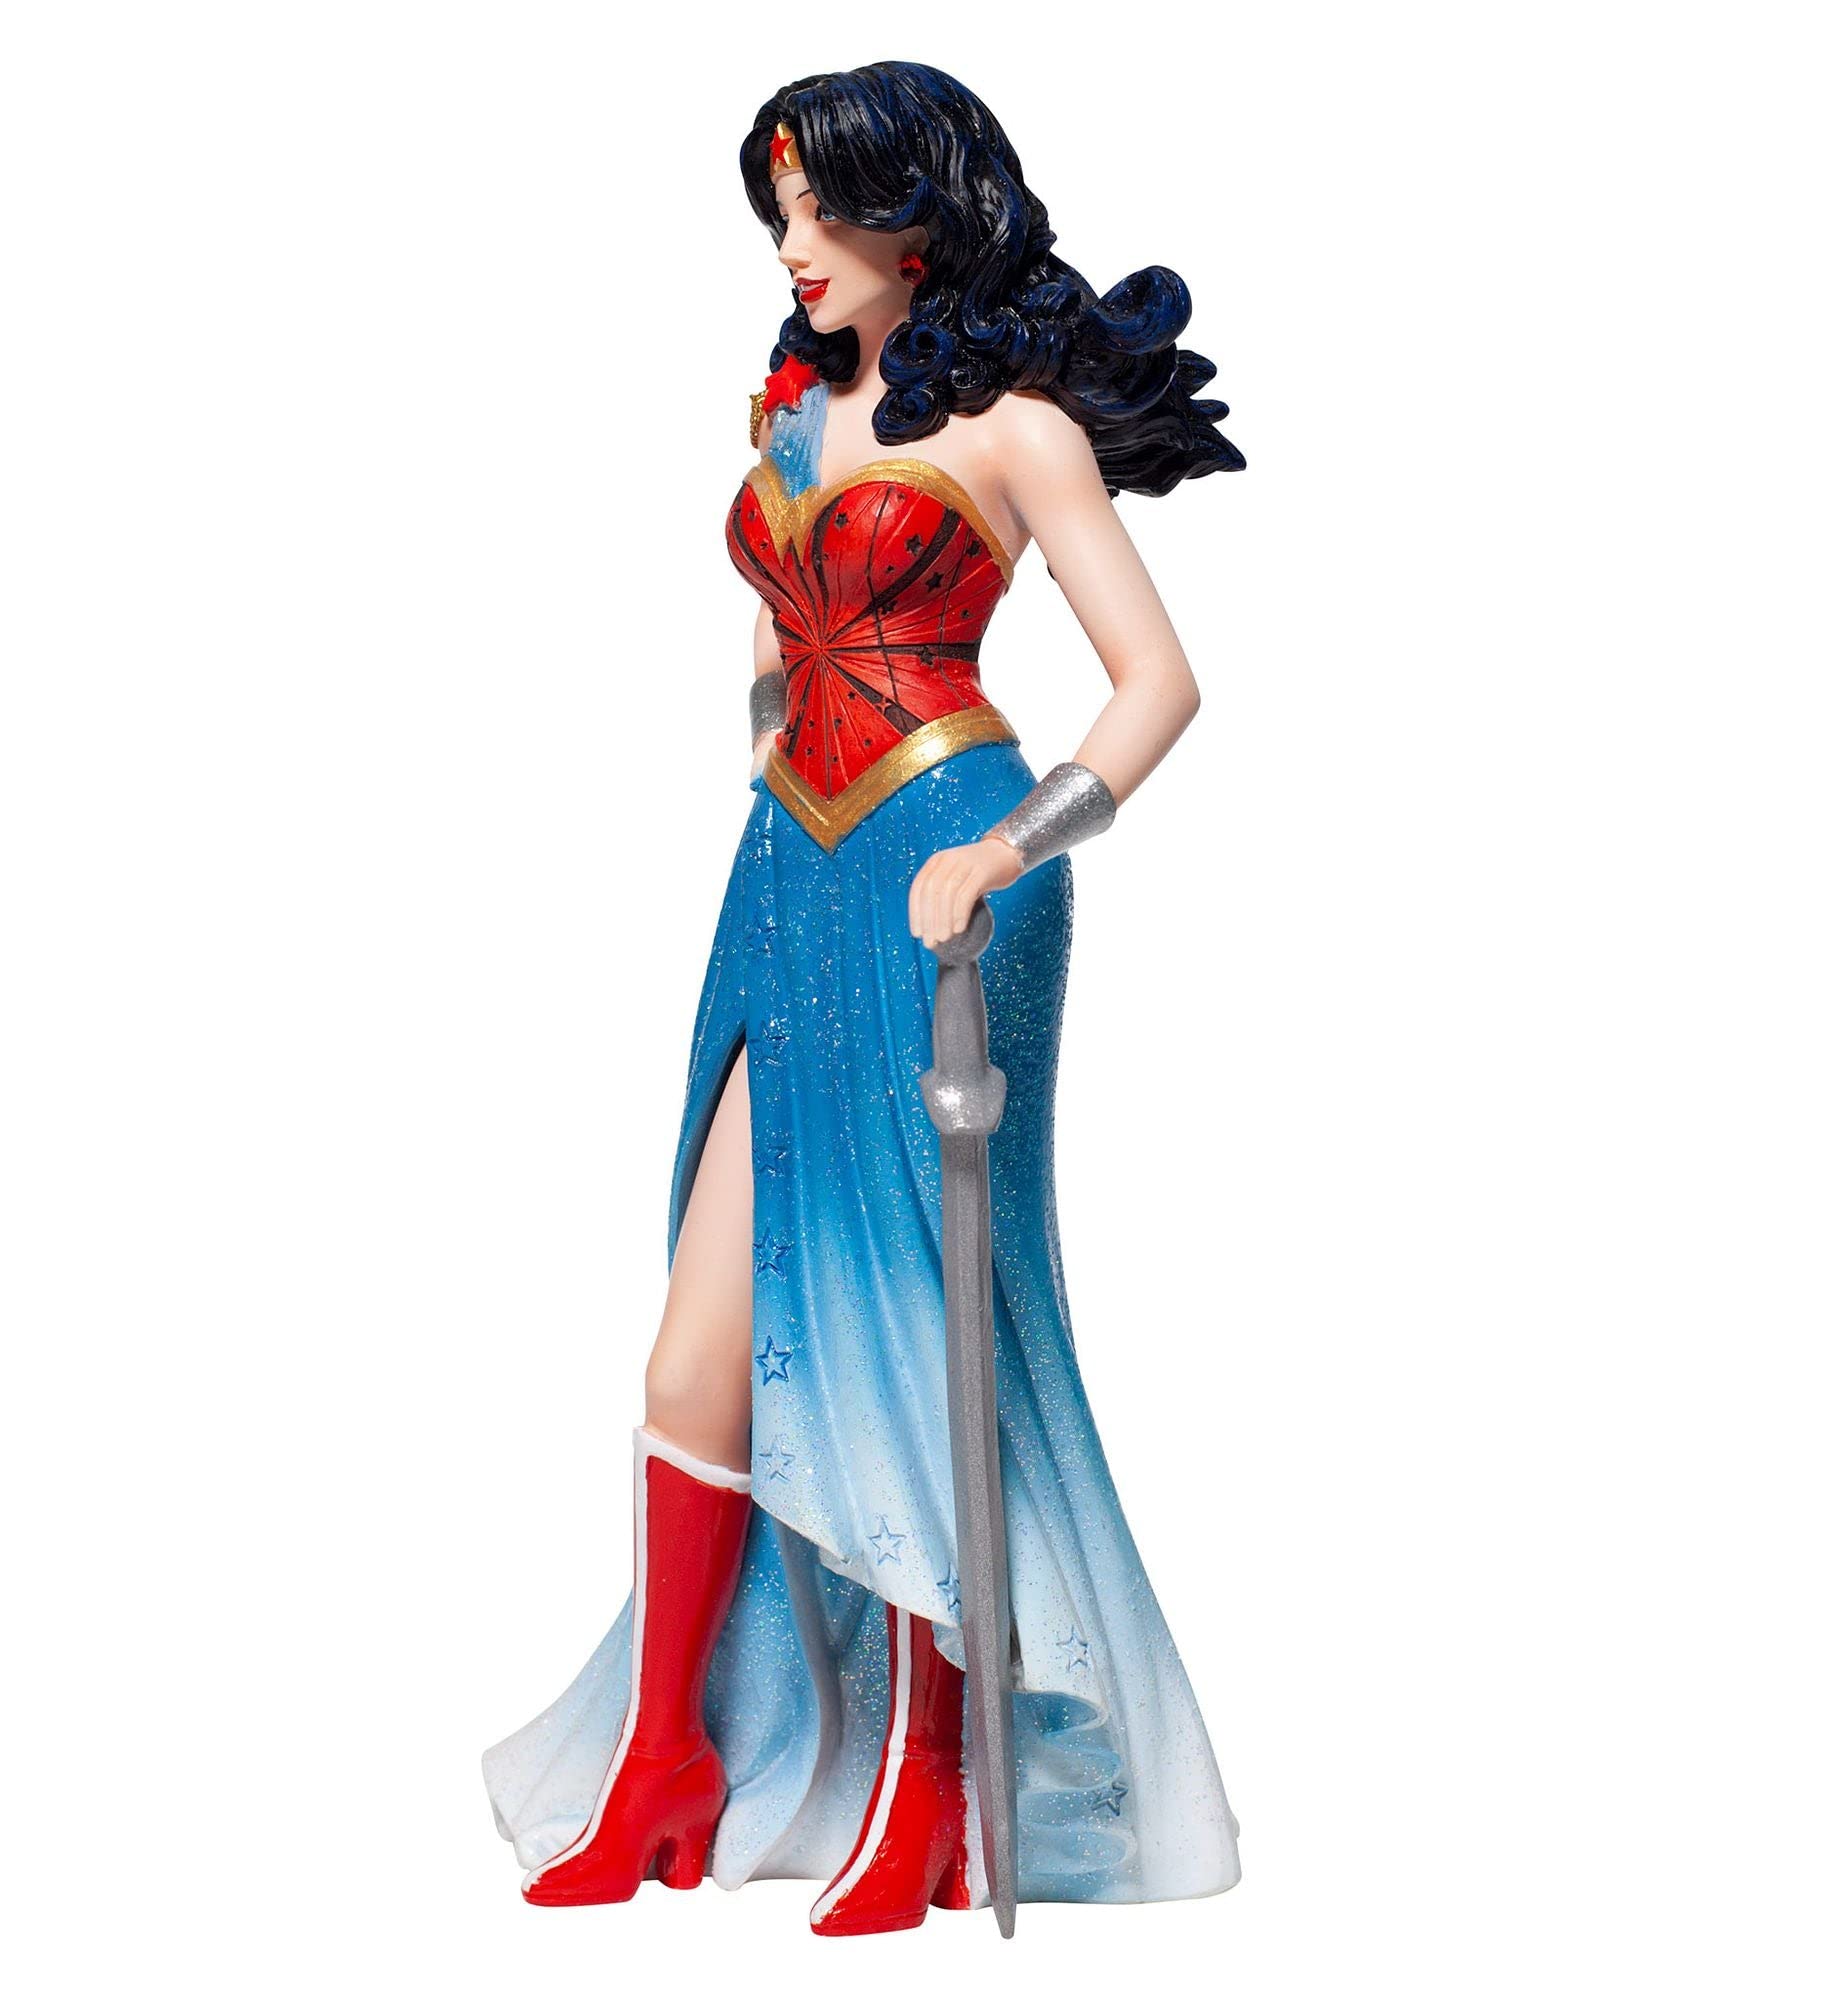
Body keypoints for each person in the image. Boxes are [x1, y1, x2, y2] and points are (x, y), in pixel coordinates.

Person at [484, 60, 1245, 1934]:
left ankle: (931, 1782)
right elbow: (775, 636)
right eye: (781, 213)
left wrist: (1009, 851)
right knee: (696, 1350)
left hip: (946, 875)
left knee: (917, 1322)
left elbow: (1158, 682)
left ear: (925, 211)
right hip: (788, 872)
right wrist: (770, 741)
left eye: (828, 210)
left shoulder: (1016, 431)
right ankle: (665, 1752)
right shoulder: (791, 409)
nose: (796, 246)